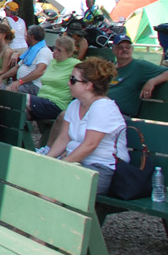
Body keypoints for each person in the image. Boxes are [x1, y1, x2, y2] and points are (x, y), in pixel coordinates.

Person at [43, 57, 127, 195]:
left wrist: (61, 164)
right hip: (76, 164)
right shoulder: (75, 105)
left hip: (101, 169)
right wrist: (46, 161)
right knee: (35, 181)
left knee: (51, 189)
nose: (68, 83)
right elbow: (63, 139)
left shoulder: (103, 107)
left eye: (73, 80)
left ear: (89, 85)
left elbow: (90, 145)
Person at [108, 35, 168, 116]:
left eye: (128, 47)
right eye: (120, 47)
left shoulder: (140, 66)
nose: (124, 50)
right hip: (105, 111)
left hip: (120, 115)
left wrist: (152, 81)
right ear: (113, 50)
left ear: (132, 49)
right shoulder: (110, 68)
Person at [25, 35, 81, 123]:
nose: (55, 52)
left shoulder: (75, 64)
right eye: (55, 48)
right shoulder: (53, 62)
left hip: (57, 103)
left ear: (69, 53)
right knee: (19, 111)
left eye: (59, 50)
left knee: (21, 99)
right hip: (42, 100)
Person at [0, 24, 51, 93]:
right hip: (23, 83)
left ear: (32, 37)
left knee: (8, 90)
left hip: (34, 85)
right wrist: (2, 77)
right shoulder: (31, 50)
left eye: (26, 35)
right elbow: (17, 67)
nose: (25, 37)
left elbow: (39, 72)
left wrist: (20, 81)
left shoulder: (44, 51)